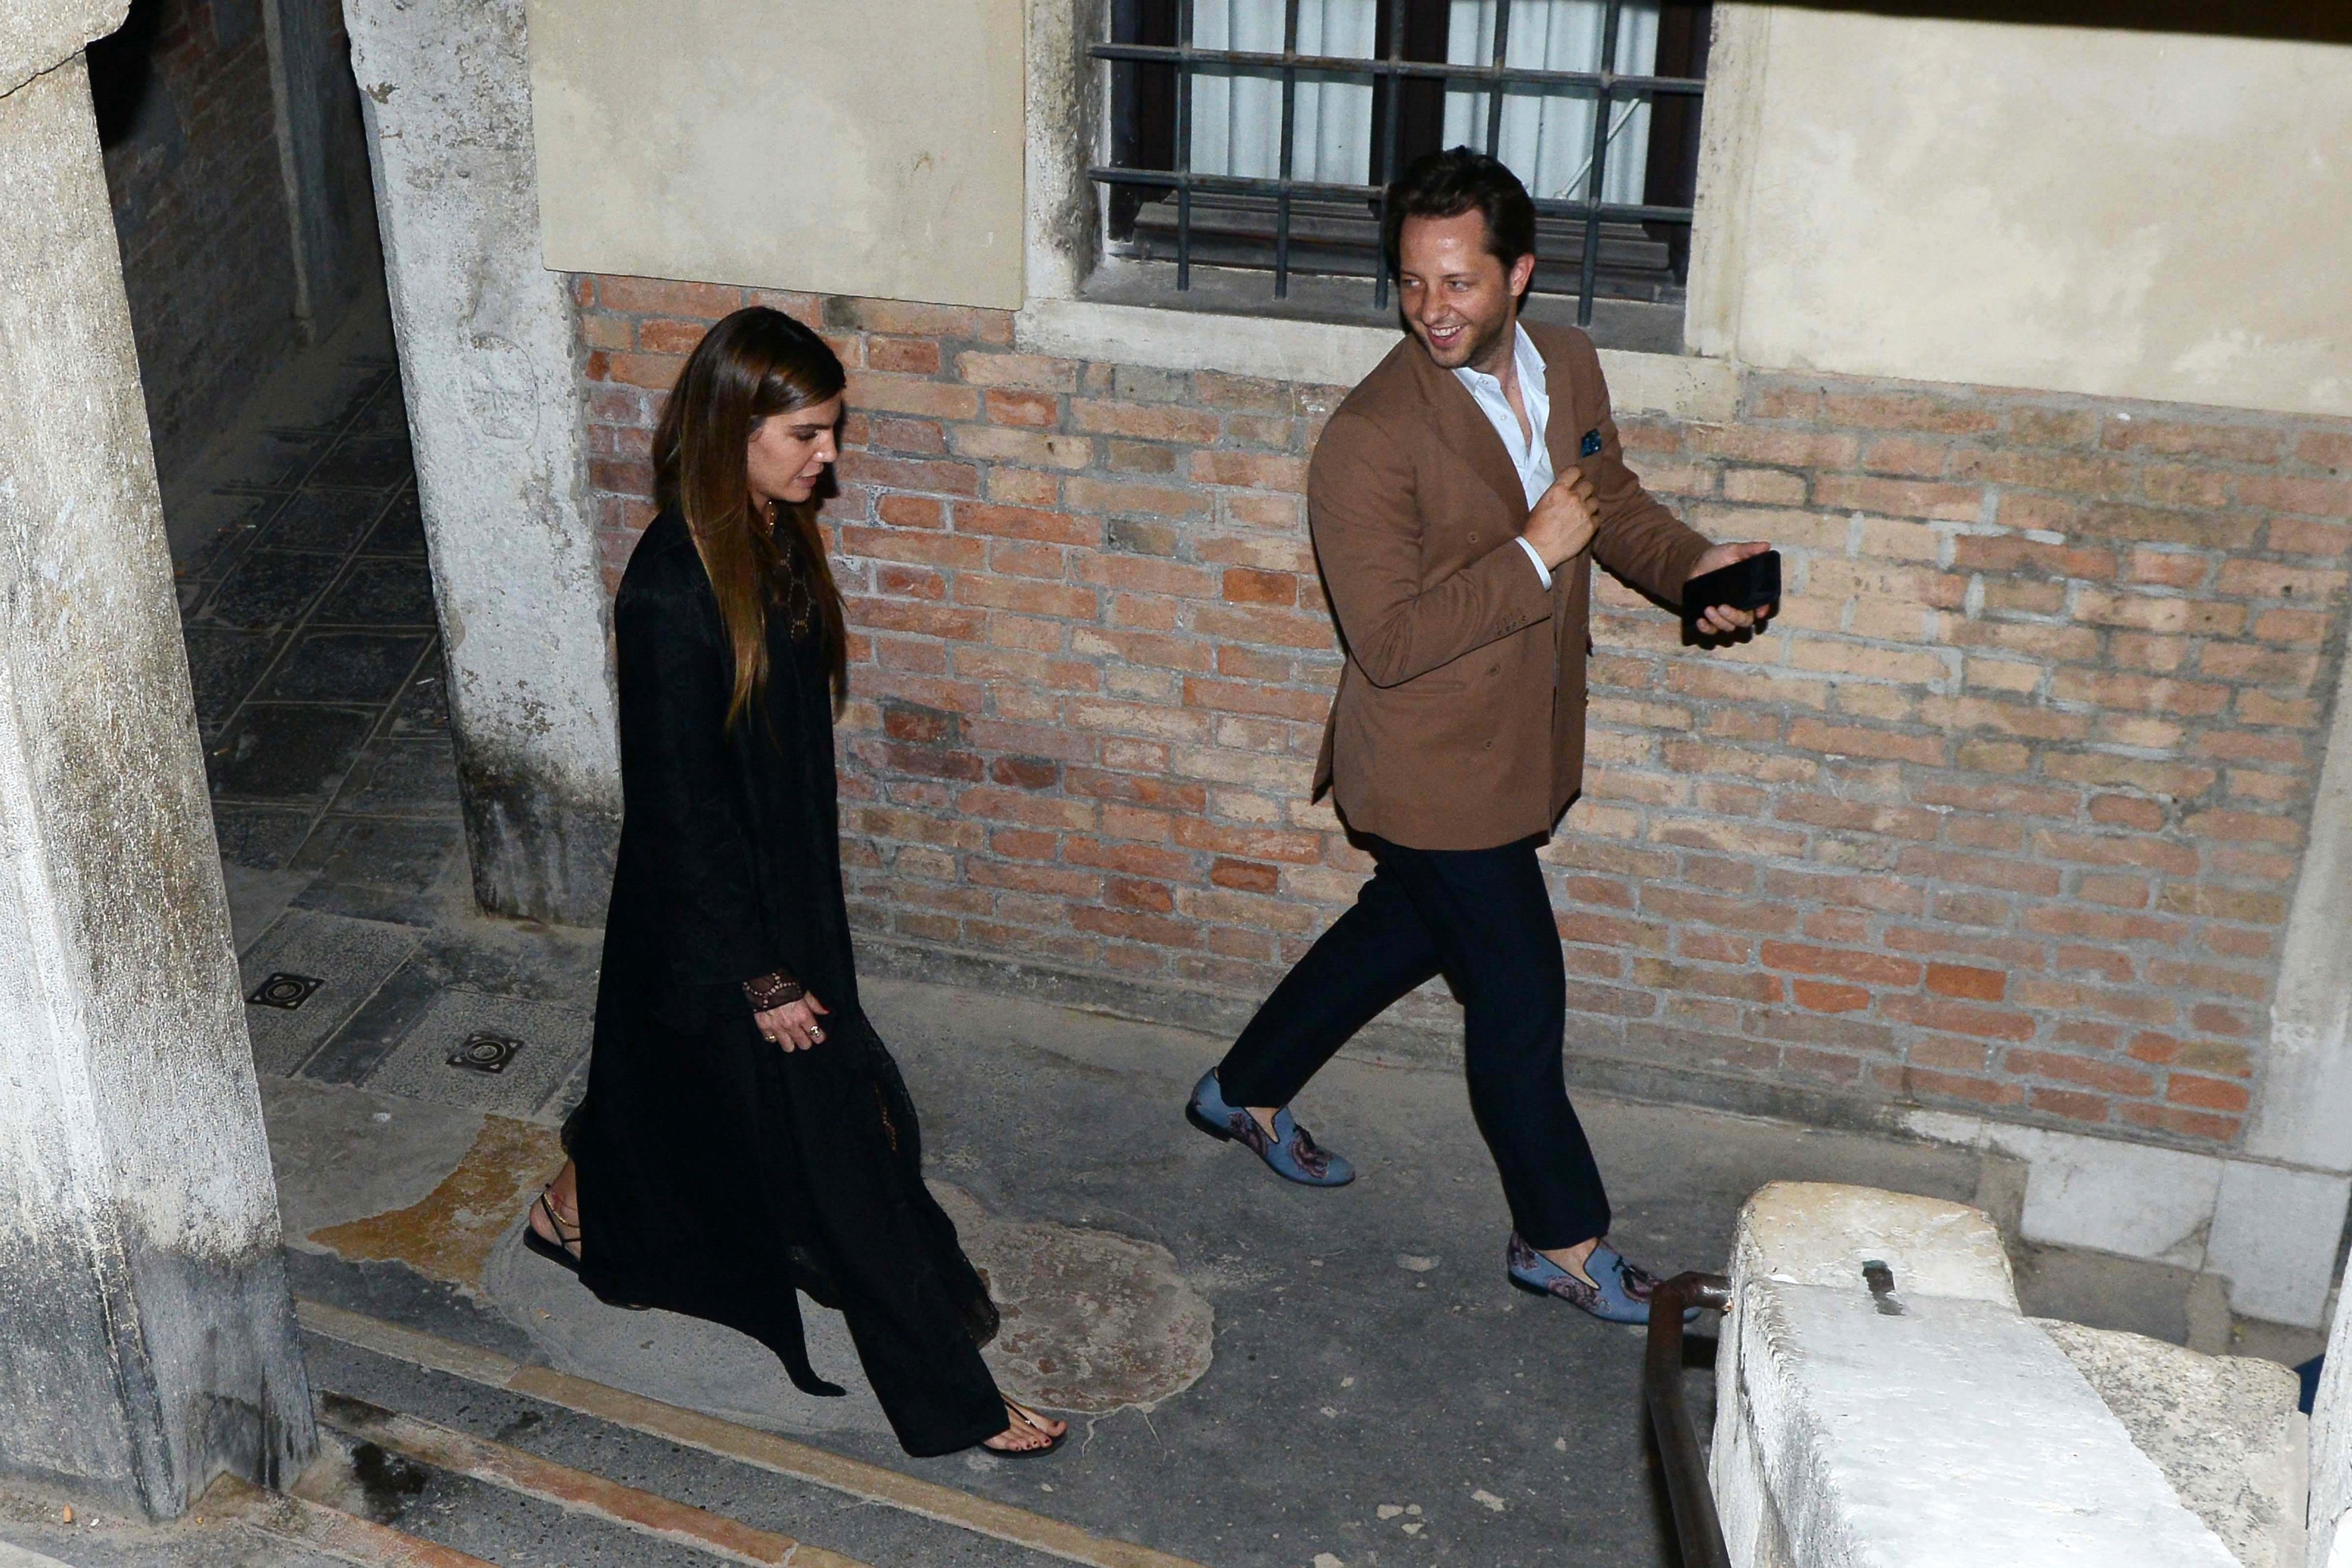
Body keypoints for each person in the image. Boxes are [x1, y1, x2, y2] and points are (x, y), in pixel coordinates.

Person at [1187, 148, 1776, 1326]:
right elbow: (1390, 640)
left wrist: (1692, 568)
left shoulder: (1567, 362)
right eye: (1411, 283)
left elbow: (1613, 506)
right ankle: (1559, 1239)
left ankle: (1240, 1090)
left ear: (1519, 275)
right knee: (1519, 999)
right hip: (1424, 765)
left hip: (1520, 741)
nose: (1430, 310)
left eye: (1457, 283)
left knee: (1401, 931)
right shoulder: (1367, 439)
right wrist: (1531, 557)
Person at [523, 306, 1066, 1457]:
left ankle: (572, 1205)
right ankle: (951, 1399)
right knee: (842, 1152)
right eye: (808, 434)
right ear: (737, 427)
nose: (829, 457)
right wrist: (763, 972)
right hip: (726, 924)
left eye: (832, 431)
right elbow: (679, 808)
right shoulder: (671, 590)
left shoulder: (768, 535)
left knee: (669, 1098)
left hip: (772, 901)